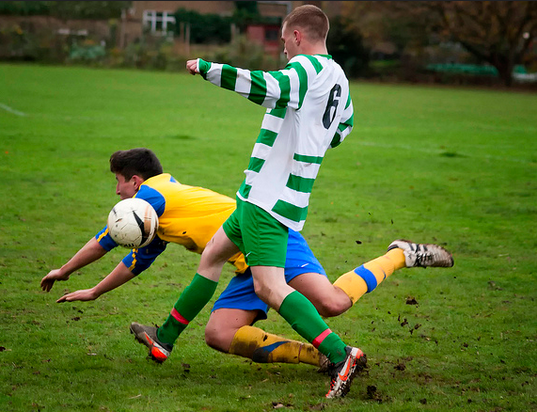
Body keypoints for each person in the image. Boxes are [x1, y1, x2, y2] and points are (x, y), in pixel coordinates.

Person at [134, 5, 453, 399]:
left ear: (298, 36)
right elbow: (344, 127)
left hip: (267, 199)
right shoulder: (339, 78)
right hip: (264, 196)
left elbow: (266, 86)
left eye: (285, 39)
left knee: (270, 288)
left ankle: (340, 354)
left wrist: (208, 68)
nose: (283, 48)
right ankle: (164, 338)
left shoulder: (304, 69)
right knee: (212, 256)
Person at [41, 148, 453, 376]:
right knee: (219, 334)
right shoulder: (154, 222)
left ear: (135, 181)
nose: (117, 192)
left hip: (268, 237)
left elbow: (106, 240)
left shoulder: (153, 196)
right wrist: (95, 291)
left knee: (332, 303)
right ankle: (324, 356)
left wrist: (65, 270)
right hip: (245, 264)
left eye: (118, 182)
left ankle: (399, 255)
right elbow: (133, 262)